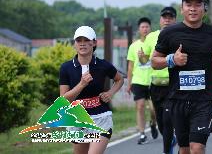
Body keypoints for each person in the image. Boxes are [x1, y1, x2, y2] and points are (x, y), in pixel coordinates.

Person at [151, 0, 212, 154]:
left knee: (197, 147)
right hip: (177, 99)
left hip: (204, 100)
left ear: (204, 9)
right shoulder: (169, 33)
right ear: (182, 9)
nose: (193, 8)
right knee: (185, 149)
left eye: (197, 4)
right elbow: (154, 61)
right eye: (189, 5)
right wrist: (172, 59)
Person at [59, 26, 124, 154]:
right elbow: (63, 99)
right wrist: (81, 84)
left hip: (101, 118)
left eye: (86, 40)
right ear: (74, 44)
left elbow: (119, 79)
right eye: (79, 40)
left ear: (94, 43)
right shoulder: (66, 68)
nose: (82, 43)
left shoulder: (103, 65)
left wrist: (110, 93)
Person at [141, 6, 177, 154]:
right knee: (161, 122)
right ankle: (170, 140)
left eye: (170, 17)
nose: (167, 20)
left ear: (175, 19)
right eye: (164, 17)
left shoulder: (180, 35)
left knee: (168, 121)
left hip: (173, 85)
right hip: (156, 86)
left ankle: (167, 150)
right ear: (160, 20)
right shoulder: (151, 37)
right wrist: (141, 56)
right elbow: (144, 60)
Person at [126, 17, 158, 144]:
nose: (145, 29)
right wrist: (129, 83)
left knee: (153, 109)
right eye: (142, 27)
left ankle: (153, 123)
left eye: (147, 27)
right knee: (139, 107)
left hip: (152, 80)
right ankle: (142, 133)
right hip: (138, 81)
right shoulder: (134, 46)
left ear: (150, 28)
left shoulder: (155, 44)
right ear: (139, 29)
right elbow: (130, 66)